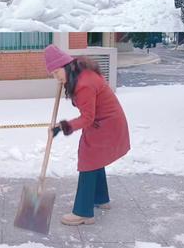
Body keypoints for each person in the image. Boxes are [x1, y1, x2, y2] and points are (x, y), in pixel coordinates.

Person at [45, 45, 130, 226]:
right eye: (53, 74)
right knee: (94, 158)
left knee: (88, 160)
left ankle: (83, 212)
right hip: (106, 122)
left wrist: (63, 127)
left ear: (66, 66)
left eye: (56, 72)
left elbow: (88, 118)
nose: (56, 77)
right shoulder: (80, 74)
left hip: (105, 124)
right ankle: (101, 198)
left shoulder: (83, 84)